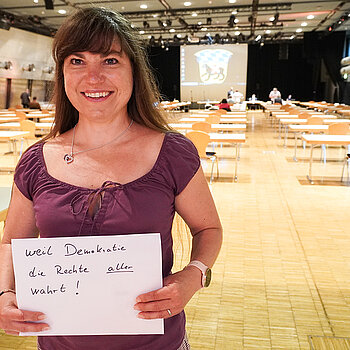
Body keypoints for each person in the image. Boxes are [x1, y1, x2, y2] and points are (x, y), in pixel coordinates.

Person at [0, 7, 222, 350]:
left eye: (110, 61)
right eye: (77, 61)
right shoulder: (35, 161)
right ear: (62, 73)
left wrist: (193, 276)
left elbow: (208, 229)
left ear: (134, 71)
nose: (93, 77)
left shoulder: (172, 153)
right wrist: (4, 293)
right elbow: (10, 243)